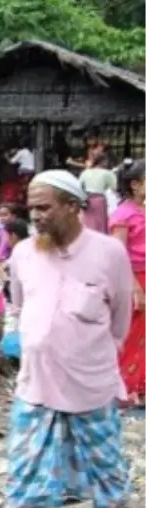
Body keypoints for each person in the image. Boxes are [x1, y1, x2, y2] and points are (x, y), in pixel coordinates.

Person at [0, 170, 141, 508]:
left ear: (74, 207)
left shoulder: (108, 254)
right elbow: (22, 308)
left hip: (91, 384)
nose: (36, 215)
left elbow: (119, 322)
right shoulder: (23, 253)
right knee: (21, 467)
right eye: (32, 208)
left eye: (45, 207)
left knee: (107, 464)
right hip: (35, 384)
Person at [111, 159, 146, 402]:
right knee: (132, 333)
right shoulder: (123, 214)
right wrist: (135, 288)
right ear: (135, 184)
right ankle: (124, 386)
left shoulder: (142, 211)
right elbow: (119, 254)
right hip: (135, 278)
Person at [79, 153, 116, 233]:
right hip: (98, 199)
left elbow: (79, 186)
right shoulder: (107, 173)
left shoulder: (85, 172)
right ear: (104, 162)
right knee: (99, 223)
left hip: (85, 201)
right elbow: (115, 187)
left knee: (87, 222)